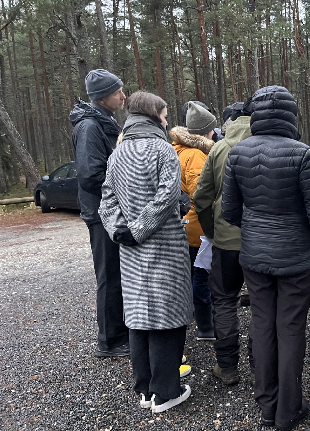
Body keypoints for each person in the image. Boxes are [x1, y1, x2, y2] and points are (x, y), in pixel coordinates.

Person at [222, 85, 310, 431]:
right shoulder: (303, 154)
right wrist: (304, 235)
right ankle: (288, 410)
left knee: (262, 324)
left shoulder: (238, 153)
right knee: (291, 328)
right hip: (295, 258)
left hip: (255, 256)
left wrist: (256, 230)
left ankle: (268, 405)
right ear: (290, 115)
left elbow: (229, 211)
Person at [99, 91, 194, 412]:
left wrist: (119, 231)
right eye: (165, 115)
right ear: (154, 115)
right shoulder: (163, 150)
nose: (167, 121)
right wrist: (139, 229)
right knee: (168, 316)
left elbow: (106, 200)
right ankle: (165, 392)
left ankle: (145, 389)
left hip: (131, 250)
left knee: (139, 316)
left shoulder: (118, 153)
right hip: (164, 247)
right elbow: (168, 196)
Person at [193, 101, 254, 386]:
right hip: (261, 241)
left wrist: (212, 231)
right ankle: (260, 364)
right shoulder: (269, 144)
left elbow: (202, 197)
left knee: (225, 300)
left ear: (229, 123)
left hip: (226, 242)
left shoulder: (219, 149)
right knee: (262, 302)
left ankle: (227, 366)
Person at [69, 69, 129, 358]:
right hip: (101, 213)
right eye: (118, 92)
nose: (123, 96)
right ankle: (110, 341)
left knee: (119, 272)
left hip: (111, 210)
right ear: (103, 97)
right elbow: (89, 174)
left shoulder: (105, 121)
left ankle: (122, 331)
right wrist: (125, 188)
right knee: (109, 275)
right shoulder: (89, 127)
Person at [170, 101, 216, 341]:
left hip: (183, 226)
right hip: (197, 227)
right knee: (201, 278)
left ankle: (191, 320)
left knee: (189, 277)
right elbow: (201, 195)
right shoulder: (196, 155)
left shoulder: (176, 150)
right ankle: (206, 326)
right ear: (206, 131)